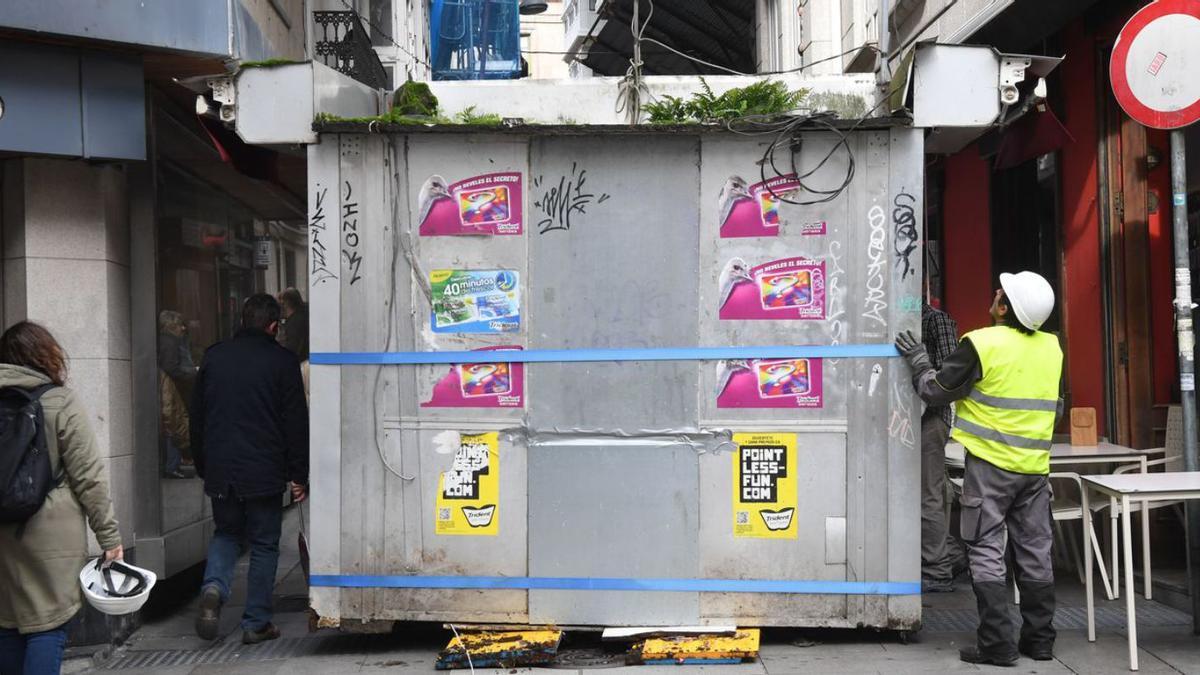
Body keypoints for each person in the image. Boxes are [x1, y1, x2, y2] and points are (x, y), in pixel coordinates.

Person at [895, 271, 1062, 667]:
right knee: (1035, 551)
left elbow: (936, 390)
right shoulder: (1052, 347)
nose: (994, 294)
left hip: (990, 467)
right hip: (1035, 468)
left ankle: (997, 645)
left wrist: (919, 361)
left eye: (999, 293)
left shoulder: (982, 343)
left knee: (987, 548)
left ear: (1005, 308)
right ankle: (1039, 641)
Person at [0, 322, 123, 675]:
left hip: (2, 530)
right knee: (48, 624)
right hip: (50, 531)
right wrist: (109, 537)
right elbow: (89, 477)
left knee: (7, 622)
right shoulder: (59, 400)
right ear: (45, 355)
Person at [192, 294, 309, 645]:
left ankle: (213, 587)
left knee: (227, 533)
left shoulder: (214, 357)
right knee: (263, 543)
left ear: (243, 320)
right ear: (274, 326)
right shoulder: (282, 361)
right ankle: (256, 622)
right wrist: (299, 474)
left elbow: (197, 417)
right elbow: (294, 423)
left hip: (222, 468)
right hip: (264, 470)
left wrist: (203, 464)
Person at [919, 300, 959, 593]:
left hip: (931, 418)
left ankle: (937, 569)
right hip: (905, 418)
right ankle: (951, 555)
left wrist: (920, 364)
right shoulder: (893, 317)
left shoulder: (936, 320)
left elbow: (950, 377)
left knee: (928, 493)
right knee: (931, 489)